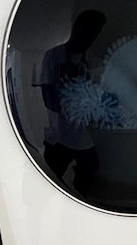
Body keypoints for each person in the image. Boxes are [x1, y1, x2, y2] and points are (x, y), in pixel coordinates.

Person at [40, 10, 106, 194]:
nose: (91, 36)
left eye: (96, 32)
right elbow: (48, 97)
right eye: (89, 30)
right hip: (57, 136)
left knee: (88, 182)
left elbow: (98, 103)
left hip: (83, 137)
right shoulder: (52, 56)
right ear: (76, 27)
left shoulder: (94, 62)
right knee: (44, 190)